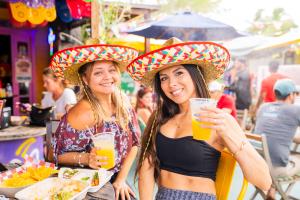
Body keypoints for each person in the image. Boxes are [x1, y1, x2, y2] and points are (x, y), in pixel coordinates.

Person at [127, 37, 271, 200]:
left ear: (196, 75)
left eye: (179, 73)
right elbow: (147, 166)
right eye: (164, 78)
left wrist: (231, 136)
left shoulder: (218, 120)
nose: (171, 83)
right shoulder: (159, 117)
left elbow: (264, 182)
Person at [49, 40, 141, 200]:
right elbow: (53, 154)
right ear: (85, 79)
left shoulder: (123, 100)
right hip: (88, 185)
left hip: (116, 179)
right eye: (98, 72)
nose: (108, 77)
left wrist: (120, 180)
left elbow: (135, 143)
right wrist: (86, 158)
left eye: (112, 70)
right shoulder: (83, 113)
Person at [254, 79, 300, 199]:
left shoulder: (263, 108)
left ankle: (272, 190)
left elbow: (273, 132)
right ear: (291, 95)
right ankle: (274, 188)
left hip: (256, 166)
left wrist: (291, 136)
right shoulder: (295, 110)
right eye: (296, 94)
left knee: (278, 154)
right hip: (276, 170)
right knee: (296, 157)